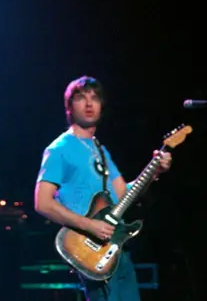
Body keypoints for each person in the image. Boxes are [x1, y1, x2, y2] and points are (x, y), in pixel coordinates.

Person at [34, 76, 172, 301]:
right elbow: (42, 203)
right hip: (90, 251)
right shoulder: (59, 149)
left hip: (116, 249)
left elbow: (123, 194)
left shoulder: (100, 149)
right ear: (69, 107)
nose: (89, 104)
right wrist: (90, 225)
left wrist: (155, 171)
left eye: (95, 98)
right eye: (81, 98)